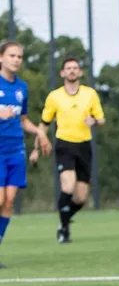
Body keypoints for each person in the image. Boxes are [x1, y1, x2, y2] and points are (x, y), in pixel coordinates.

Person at [39, 56, 105, 243]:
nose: (72, 71)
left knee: (80, 198)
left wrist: (94, 121)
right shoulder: (55, 96)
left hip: (84, 145)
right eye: (68, 68)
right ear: (62, 73)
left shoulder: (90, 94)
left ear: (80, 72)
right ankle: (65, 231)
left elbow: (101, 119)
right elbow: (44, 123)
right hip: (64, 145)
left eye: (75, 68)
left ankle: (63, 220)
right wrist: (38, 144)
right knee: (67, 187)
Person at [0, 41, 51, 263]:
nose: (16, 60)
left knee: (9, 201)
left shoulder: (22, 87)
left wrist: (39, 133)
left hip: (15, 151)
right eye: (12, 55)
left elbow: (23, 120)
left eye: (19, 56)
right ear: (1, 58)